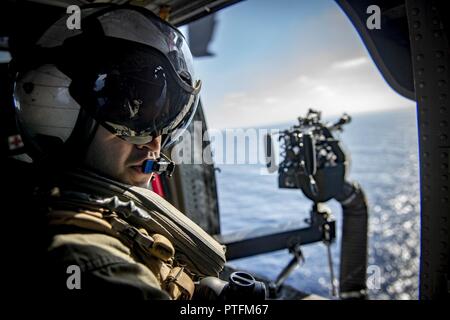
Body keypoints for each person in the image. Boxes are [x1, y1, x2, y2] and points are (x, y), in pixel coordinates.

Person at [7, 4, 226, 299]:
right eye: (133, 116)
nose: (155, 143)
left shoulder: (91, 209)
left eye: (165, 118)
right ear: (63, 112)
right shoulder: (93, 264)